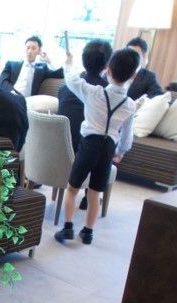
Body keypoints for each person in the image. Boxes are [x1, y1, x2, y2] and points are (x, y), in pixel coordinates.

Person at [54, 48, 139, 245]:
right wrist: (121, 151)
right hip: (108, 148)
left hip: (89, 144)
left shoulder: (94, 93)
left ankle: (68, 228)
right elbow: (127, 135)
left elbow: (72, 80)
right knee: (95, 192)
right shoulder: (130, 104)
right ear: (133, 76)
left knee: (72, 188)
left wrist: (68, 62)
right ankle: (88, 232)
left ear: (108, 70)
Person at [58, 39, 113, 210]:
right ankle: (92, 194)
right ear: (107, 65)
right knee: (105, 140)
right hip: (84, 154)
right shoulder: (107, 94)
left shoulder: (65, 88)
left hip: (58, 151)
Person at [0, 35, 64, 97]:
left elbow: (60, 74)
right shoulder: (11, 64)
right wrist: (13, 93)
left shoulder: (42, 68)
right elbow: (3, 80)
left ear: (39, 51)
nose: (29, 51)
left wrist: (49, 61)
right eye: (27, 48)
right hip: (11, 96)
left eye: (33, 48)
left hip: (30, 101)